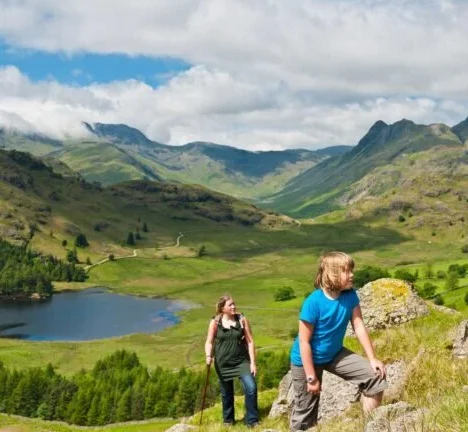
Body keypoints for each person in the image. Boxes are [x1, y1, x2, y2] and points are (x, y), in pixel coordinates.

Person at [289, 252, 387, 431]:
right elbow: (304, 342)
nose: (352, 275)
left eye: (351, 270)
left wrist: (372, 359)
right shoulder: (313, 302)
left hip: (334, 354)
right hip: (306, 361)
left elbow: (358, 326)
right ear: (331, 274)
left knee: (375, 377)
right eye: (346, 271)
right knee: (305, 415)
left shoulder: (350, 295)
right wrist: (311, 378)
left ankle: (370, 426)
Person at [205, 294, 259, 427]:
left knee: (251, 388)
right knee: (226, 393)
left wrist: (252, 363)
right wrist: (208, 355)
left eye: (234, 304)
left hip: (241, 361)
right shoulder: (215, 322)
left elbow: (250, 342)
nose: (234, 307)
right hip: (223, 363)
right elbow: (209, 342)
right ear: (222, 308)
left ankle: (252, 420)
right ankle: (228, 421)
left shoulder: (242, 320)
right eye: (230, 305)